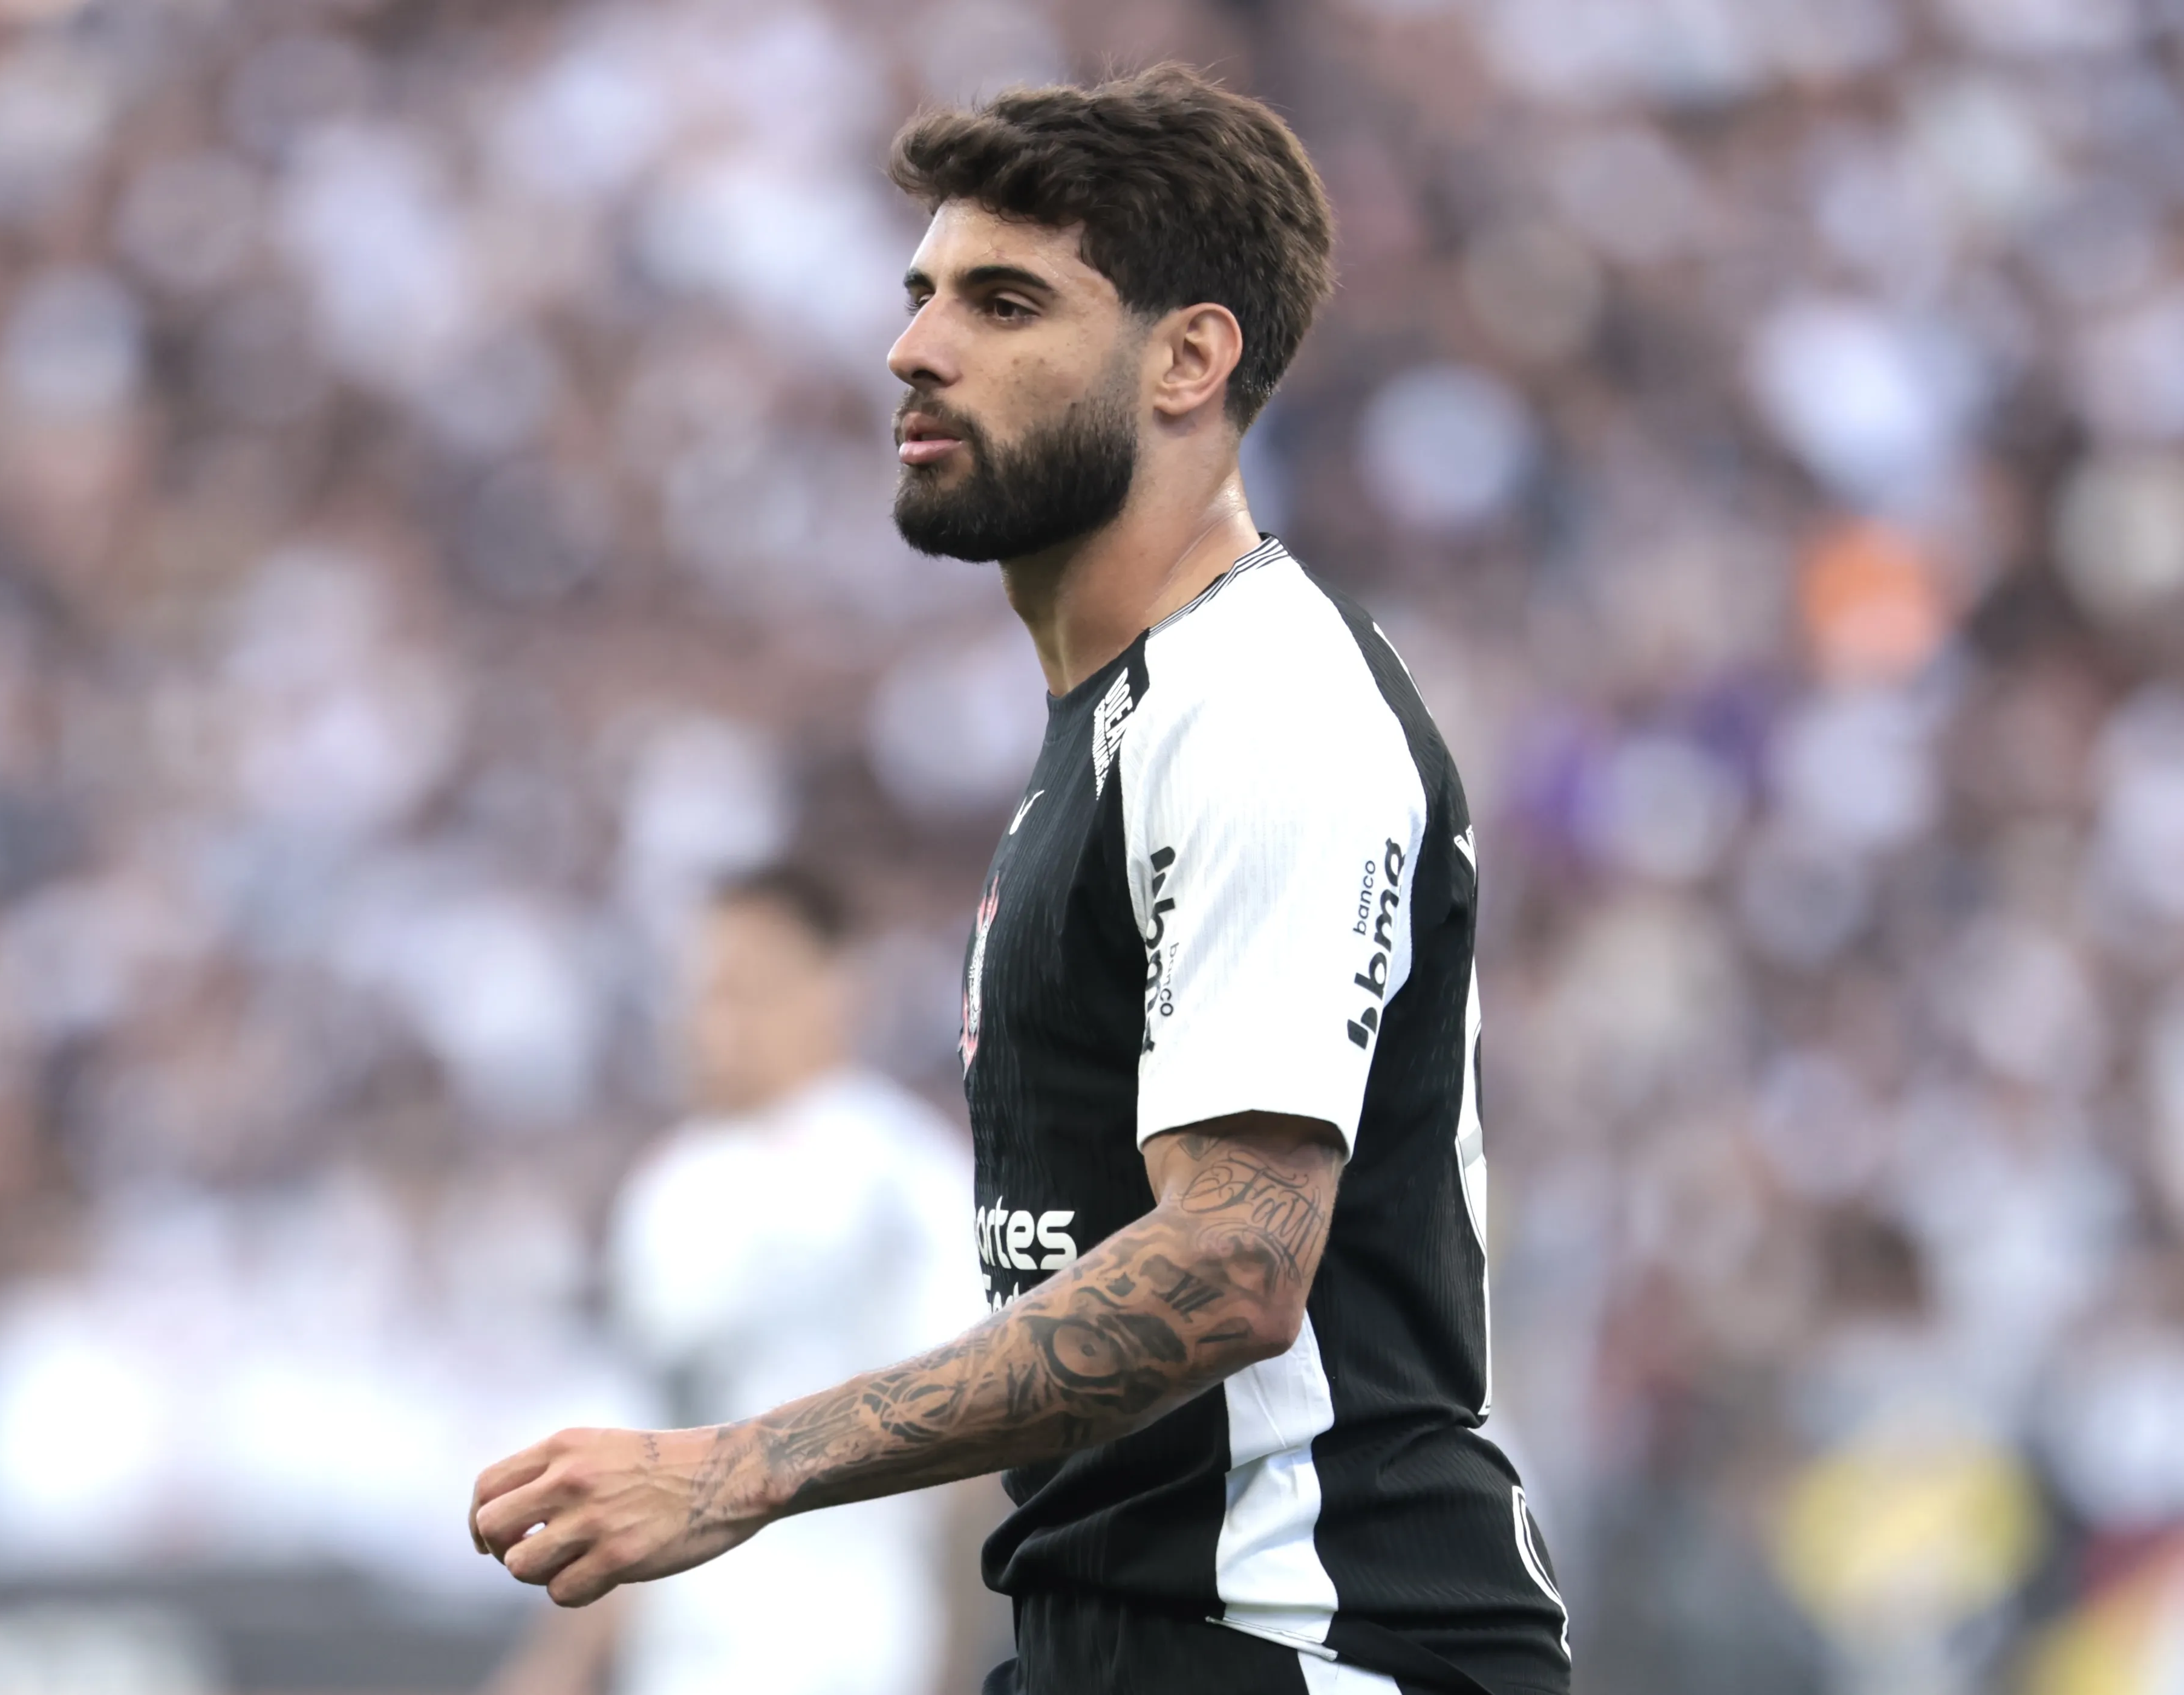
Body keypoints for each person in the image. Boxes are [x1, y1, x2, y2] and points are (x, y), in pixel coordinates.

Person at [470, 67, 1572, 1695]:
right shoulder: (1111, 724)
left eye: (1002, 304)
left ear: (1188, 359)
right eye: (919, 297)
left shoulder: (1261, 701)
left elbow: (1233, 1263)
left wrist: (737, 1467)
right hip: (1120, 1642)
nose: (916, 348)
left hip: (1307, 1644)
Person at [481, 865, 993, 1695]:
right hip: (684, 1656)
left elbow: (968, 1442)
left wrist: (952, 1658)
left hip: (851, 1650)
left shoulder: (902, 1179)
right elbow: (635, 1441)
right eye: (701, 993)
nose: (713, 1024)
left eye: (745, 989)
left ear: (836, 987)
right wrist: (558, 1664)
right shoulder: (666, 1192)